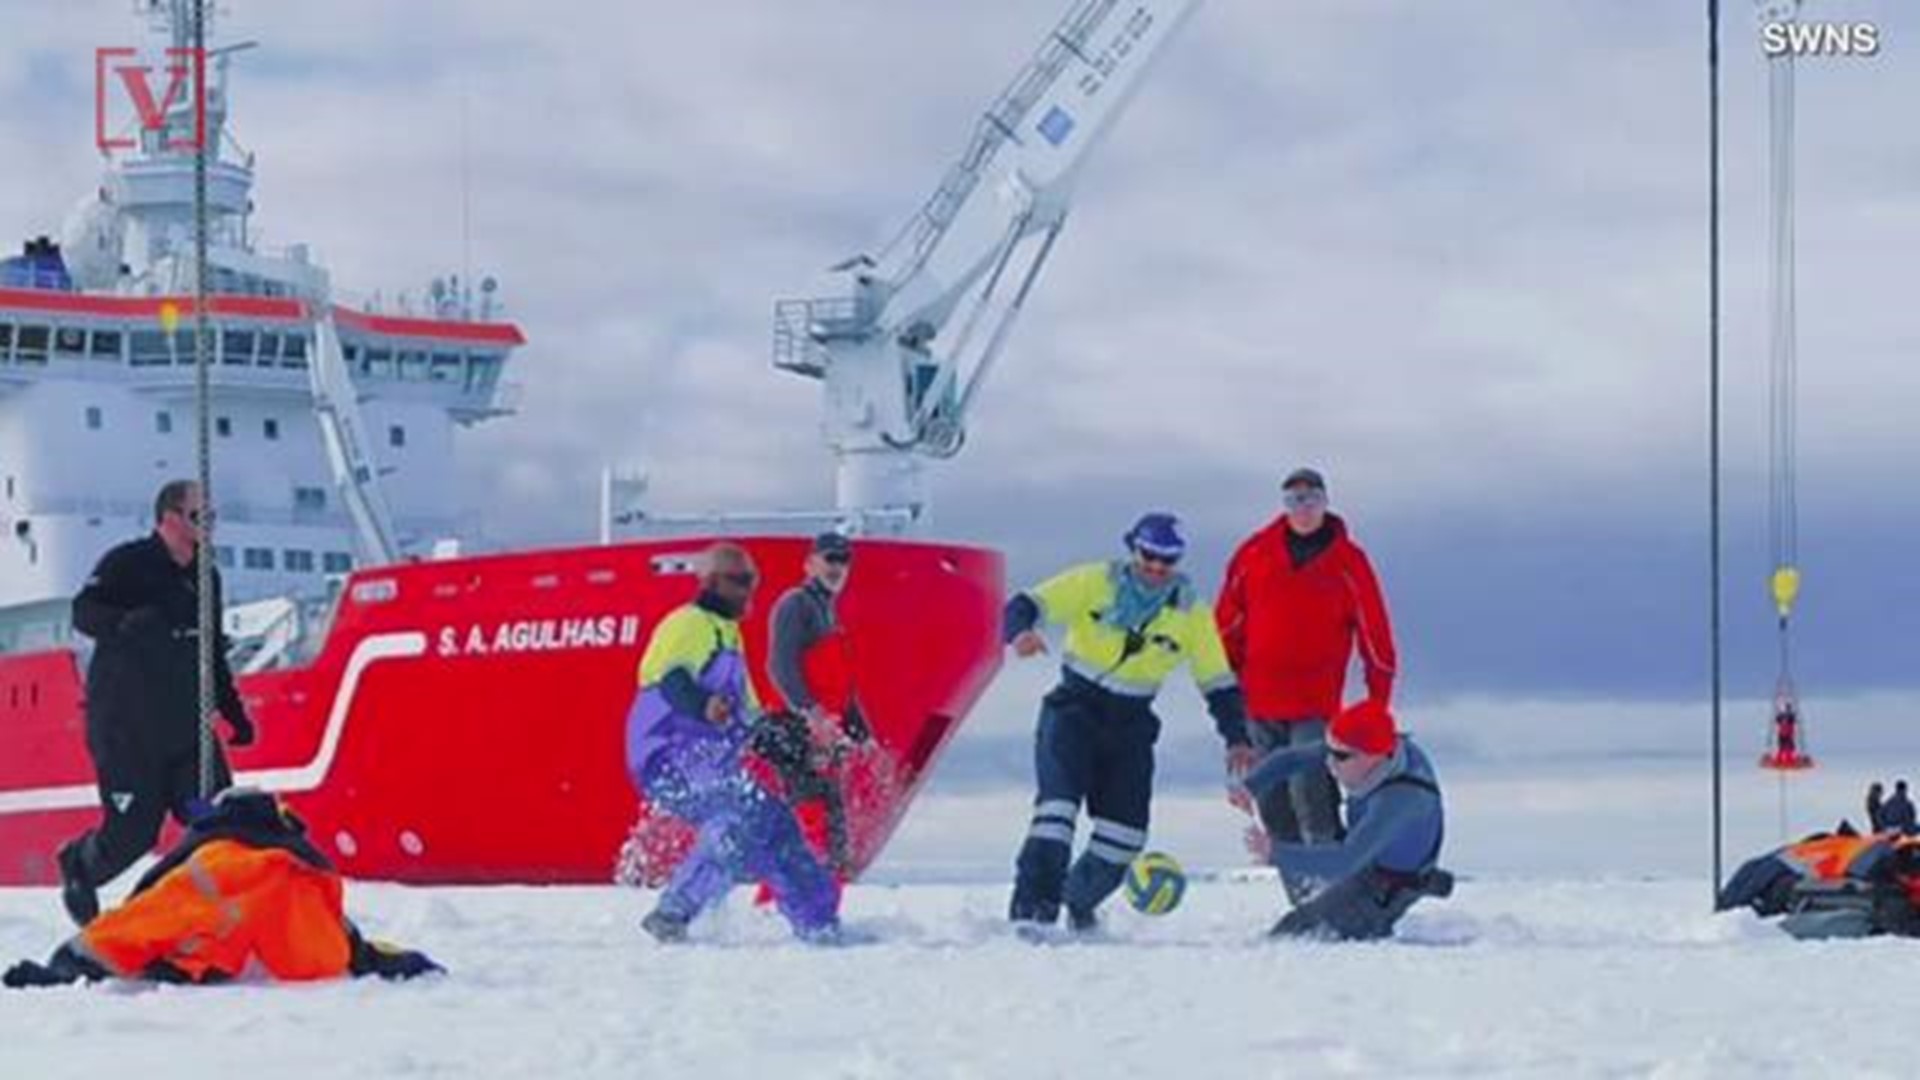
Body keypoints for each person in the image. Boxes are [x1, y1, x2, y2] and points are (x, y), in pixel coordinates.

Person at [1003, 512, 1250, 932]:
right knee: (1056, 814)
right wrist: (1020, 633)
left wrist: (1237, 739)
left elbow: (1218, 683)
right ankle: (1032, 918)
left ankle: (1075, 903)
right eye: (1148, 555)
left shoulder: (1191, 613)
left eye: (1167, 560)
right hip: (1074, 711)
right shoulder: (1094, 581)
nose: (1156, 567)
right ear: (1133, 548)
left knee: (1125, 838)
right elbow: (1023, 605)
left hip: (1130, 727)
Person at [56, 479, 255, 928]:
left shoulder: (206, 576)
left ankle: (202, 914)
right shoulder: (128, 563)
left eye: (212, 518)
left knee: (214, 817)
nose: (208, 526)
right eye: (198, 516)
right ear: (169, 518)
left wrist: (234, 713)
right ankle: (79, 864)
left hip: (186, 731)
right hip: (128, 730)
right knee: (133, 834)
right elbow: (83, 612)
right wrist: (125, 623)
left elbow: (211, 652)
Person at [624, 542, 841, 943]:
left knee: (776, 822)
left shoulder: (730, 638)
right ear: (710, 582)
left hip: (713, 763)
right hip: (666, 755)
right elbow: (672, 680)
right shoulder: (687, 623)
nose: (749, 590)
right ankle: (673, 913)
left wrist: (794, 737)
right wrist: (703, 705)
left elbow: (749, 718)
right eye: (739, 581)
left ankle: (818, 922)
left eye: (752, 580)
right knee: (740, 817)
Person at [6, 789, 438, 988]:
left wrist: (65, 966)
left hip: (205, 963)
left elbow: (133, 926)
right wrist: (391, 961)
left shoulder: (212, 866)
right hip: (308, 962)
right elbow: (349, 946)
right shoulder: (301, 871)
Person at [1217, 467, 1397, 846]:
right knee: (1272, 800)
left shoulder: (1349, 562)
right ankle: (1301, 890)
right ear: (1284, 506)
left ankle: (1332, 882)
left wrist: (1376, 706)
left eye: (1312, 498)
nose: (1304, 508)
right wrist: (1226, 689)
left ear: (1325, 503)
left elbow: (1374, 634)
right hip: (1259, 702)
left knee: (1311, 791)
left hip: (1315, 705)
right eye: (1295, 500)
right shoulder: (1254, 554)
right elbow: (1227, 624)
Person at [1235, 699, 1449, 941]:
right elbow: (1293, 759)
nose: (1329, 762)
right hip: (1372, 850)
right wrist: (1250, 786)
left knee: (1293, 933)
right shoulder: (1368, 749)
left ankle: (1407, 895)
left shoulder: (1398, 801)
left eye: (1339, 756)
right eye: (1328, 749)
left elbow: (1345, 861)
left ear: (1374, 756)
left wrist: (1275, 853)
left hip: (1384, 884)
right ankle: (1425, 876)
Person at [759, 531, 873, 877]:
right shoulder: (795, 603)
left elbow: (842, 687)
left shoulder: (829, 614)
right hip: (793, 730)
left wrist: (861, 734)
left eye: (844, 561)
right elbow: (779, 665)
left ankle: (820, 908)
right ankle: (785, 910)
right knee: (812, 821)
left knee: (832, 827)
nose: (837, 567)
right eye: (830, 559)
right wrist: (811, 713)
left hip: (821, 735)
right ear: (809, 564)